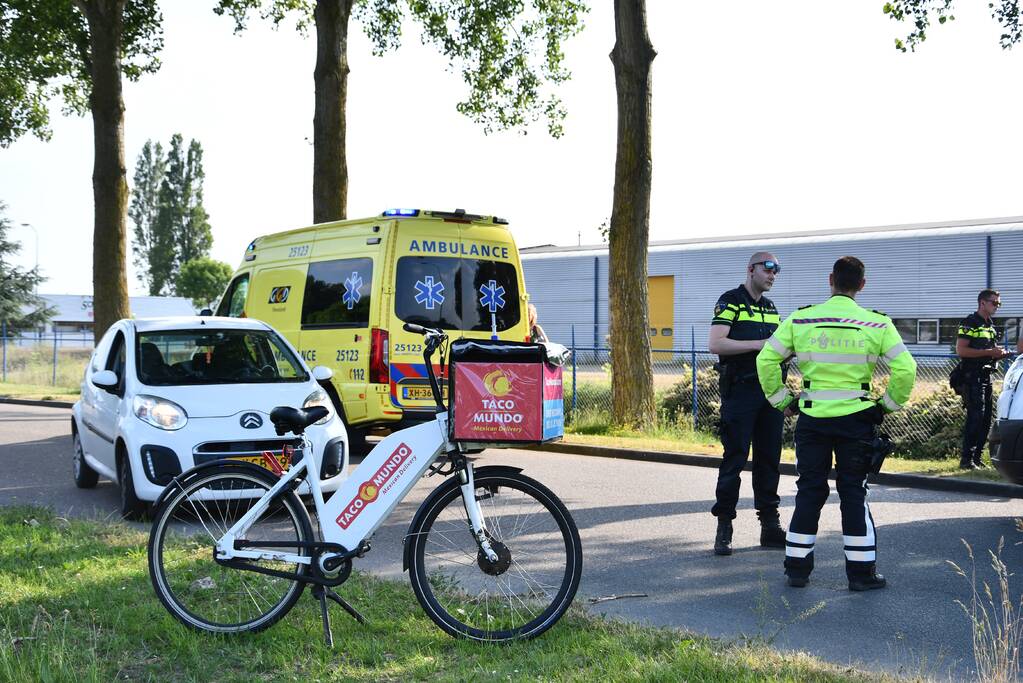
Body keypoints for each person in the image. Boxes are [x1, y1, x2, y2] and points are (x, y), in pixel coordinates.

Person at [756, 256, 916, 591]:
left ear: (830, 279)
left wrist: (783, 400)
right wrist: (885, 406)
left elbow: (766, 359)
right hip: (856, 420)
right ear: (862, 284)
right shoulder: (877, 324)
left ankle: (796, 571)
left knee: (809, 491)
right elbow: (906, 369)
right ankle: (861, 575)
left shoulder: (801, 320)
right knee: (853, 493)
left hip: (812, 420)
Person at [708, 251, 786, 555]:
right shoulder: (731, 300)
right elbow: (716, 343)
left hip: (769, 394)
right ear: (750, 269)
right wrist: (760, 345)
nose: (772, 275)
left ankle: (770, 526)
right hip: (740, 393)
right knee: (735, 459)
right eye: (767, 270)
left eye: (776, 272)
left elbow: (777, 348)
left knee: (769, 460)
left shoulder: (771, 308)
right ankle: (724, 526)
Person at [956, 290, 1008, 469]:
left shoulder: (990, 325)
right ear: (982, 303)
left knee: (986, 418)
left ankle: (977, 459)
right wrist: (988, 352)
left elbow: (989, 351)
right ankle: (966, 460)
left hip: (986, 376)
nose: (997, 306)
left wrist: (998, 354)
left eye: (998, 303)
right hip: (972, 377)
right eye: (994, 303)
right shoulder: (970, 322)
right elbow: (961, 351)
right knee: (975, 418)